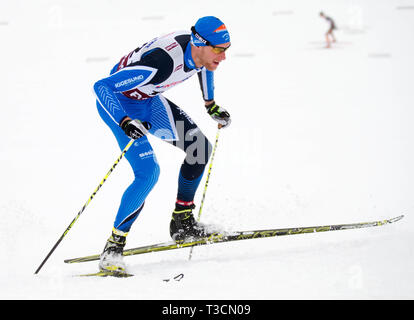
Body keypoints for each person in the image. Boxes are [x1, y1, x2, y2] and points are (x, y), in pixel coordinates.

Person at [93, 16, 232, 273]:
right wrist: (124, 121)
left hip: (148, 101)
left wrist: (210, 105)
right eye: (218, 50)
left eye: (226, 50)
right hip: (119, 106)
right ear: (200, 43)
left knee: (199, 149)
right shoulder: (160, 64)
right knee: (148, 173)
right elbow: (102, 87)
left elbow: (205, 67)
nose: (223, 57)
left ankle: (182, 223)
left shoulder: (198, 52)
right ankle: (113, 248)